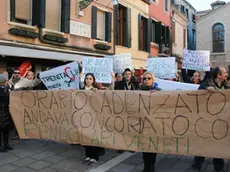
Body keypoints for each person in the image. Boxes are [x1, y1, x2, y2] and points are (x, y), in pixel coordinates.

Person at [188, 67, 228, 172]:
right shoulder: (206, 84)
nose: (226, 74)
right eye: (224, 72)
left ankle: (219, 168)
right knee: (203, 144)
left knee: (218, 145)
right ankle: (196, 166)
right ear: (218, 75)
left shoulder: (226, 87)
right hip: (206, 121)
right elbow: (196, 98)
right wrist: (206, 89)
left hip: (220, 123)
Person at [140, 72, 161, 172]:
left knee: (153, 146)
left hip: (154, 123)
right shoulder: (140, 91)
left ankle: (151, 166)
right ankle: (145, 166)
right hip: (144, 123)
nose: (147, 80)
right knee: (144, 146)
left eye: (149, 78)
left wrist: (157, 96)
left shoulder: (159, 91)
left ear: (153, 80)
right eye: (145, 78)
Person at [82, 73, 105, 165]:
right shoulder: (81, 90)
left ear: (93, 80)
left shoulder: (96, 90)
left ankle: (95, 156)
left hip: (94, 117)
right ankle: (88, 155)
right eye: (87, 78)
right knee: (86, 137)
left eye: (90, 78)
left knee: (94, 137)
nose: (88, 80)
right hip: (84, 117)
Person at [0, 74, 13, 152]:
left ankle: (6, 144)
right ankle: (0, 147)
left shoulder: (7, 88)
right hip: (1, 112)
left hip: (7, 111)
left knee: (6, 129)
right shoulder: (4, 89)